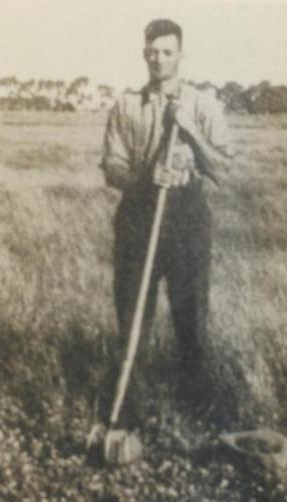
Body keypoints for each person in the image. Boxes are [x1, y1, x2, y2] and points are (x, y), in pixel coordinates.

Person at [100, 19, 233, 420]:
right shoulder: (126, 105)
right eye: (152, 51)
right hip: (138, 217)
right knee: (132, 315)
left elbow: (223, 171)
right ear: (145, 54)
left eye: (167, 52)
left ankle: (193, 408)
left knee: (190, 316)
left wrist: (190, 130)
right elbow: (112, 167)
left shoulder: (203, 105)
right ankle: (128, 409)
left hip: (187, 217)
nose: (159, 59)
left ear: (181, 56)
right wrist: (144, 179)